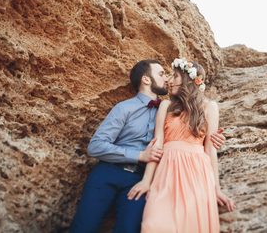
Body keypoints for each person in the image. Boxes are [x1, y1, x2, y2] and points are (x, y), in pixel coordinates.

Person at [70, 59, 226, 233]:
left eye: (171, 75)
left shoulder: (169, 108)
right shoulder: (124, 108)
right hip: (108, 172)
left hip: (141, 176)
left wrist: (212, 138)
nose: (167, 78)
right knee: (83, 227)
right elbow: (95, 146)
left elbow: (198, 132)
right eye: (161, 74)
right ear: (146, 79)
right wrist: (140, 156)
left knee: (129, 229)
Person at [128, 58, 236, 233]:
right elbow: (157, 145)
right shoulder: (166, 105)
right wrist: (147, 181)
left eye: (175, 77)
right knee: (152, 225)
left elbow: (210, 149)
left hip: (197, 173)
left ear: (188, 80)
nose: (169, 81)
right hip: (167, 170)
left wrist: (217, 189)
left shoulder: (210, 107)